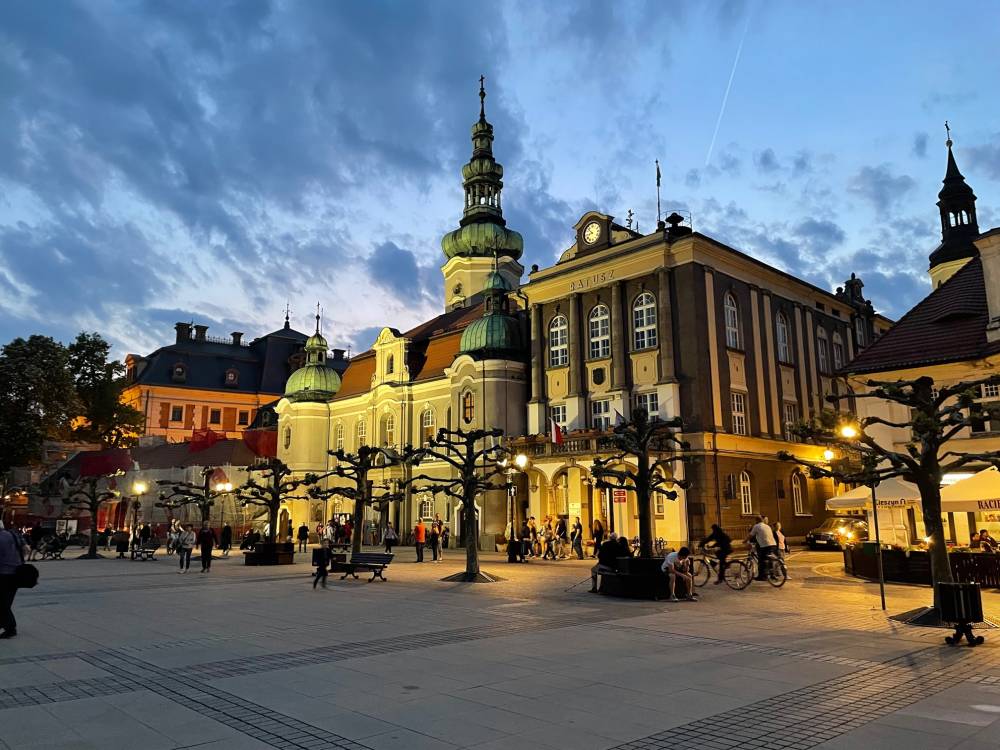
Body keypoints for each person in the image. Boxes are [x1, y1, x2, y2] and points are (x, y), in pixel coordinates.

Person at [0, 522, 29, 638]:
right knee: (6, 601)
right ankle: (4, 623)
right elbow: (26, 549)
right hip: (16, 573)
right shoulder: (13, 534)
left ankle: (10, 628)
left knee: (3, 603)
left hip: (4, 574)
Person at [747, 515, 778, 581]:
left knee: (761, 561)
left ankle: (762, 576)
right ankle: (772, 575)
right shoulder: (768, 526)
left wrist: (744, 541)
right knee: (769, 560)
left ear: (757, 520)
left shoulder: (756, 526)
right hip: (773, 544)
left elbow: (751, 535)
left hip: (764, 545)